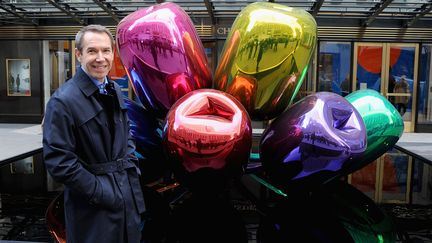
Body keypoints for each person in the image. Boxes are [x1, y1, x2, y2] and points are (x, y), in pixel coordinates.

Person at [43, 25, 145, 243]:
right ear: (79, 54)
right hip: (92, 207)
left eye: (106, 51)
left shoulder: (114, 88)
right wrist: (102, 192)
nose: (101, 58)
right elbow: (59, 162)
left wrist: (130, 165)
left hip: (126, 196)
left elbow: (126, 133)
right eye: (92, 51)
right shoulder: (62, 101)